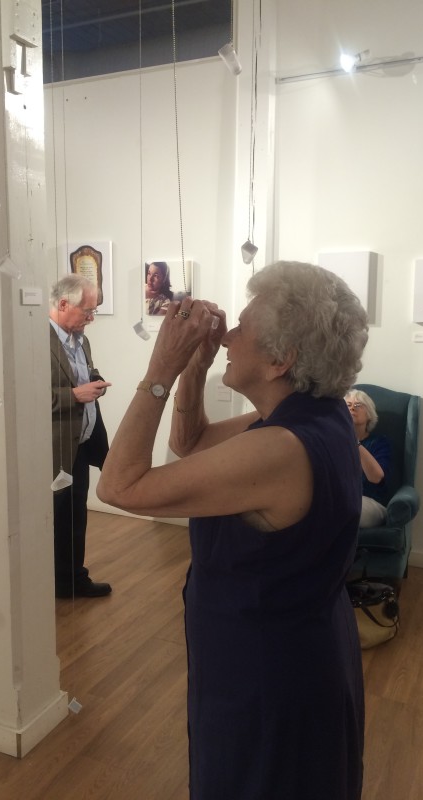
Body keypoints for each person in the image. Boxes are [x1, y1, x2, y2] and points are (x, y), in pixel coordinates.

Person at [97, 261, 369, 799]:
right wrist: (197, 366)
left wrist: (161, 368)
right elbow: (191, 443)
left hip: (267, 673)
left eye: (241, 327)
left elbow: (118, 487)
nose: (228, 336)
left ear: (279, 359)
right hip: (296, 649)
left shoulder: (280, 449)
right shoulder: (316, 416)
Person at [49, 274, 112, 598]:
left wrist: (95, 380)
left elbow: (84, 373)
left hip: (82, 442)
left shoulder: (81, 340)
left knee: (76, 515)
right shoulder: (36, 340)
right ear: (63, 304)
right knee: (55, 518)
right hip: (54, 447)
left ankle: (73, 579)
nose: (91, 318)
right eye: (87, 311)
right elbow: (28, 398)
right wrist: (74, 395)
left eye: (93, 311)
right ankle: (52, 583)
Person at [345, 388, 392, 527]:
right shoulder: (333, 441)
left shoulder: (380, 443)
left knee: (343, 510)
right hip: (337, 499)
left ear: (369, 415)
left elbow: (376, 477)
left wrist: (354, 441)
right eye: (347, 405)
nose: (352, 408)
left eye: (358, 405)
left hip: (369, 502)